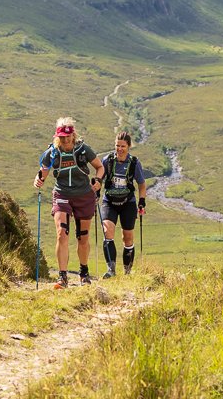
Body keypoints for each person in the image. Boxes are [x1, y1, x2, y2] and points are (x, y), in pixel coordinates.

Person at [34, 117, 105, 288]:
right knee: (61, 233)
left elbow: (100, 167)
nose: (65, 140)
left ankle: (84, 273)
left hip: (84, 196)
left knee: (83, 237)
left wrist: (98, 180)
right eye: (62, 137)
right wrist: (38, 180)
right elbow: (42, 173)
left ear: (73, 135)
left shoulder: (83, 150)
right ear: (57, 136)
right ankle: (62, 276)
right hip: (62, 195)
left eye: (68, 137)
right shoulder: (52, 153)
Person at [98, 131, 146, 278]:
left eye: (123, 146)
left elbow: (141, 184)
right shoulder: (108, 160)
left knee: (128, 238)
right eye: (117, 145)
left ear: (129, 146)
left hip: (128, 203)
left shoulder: (134, 163)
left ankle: (127, 272)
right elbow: (99, 176)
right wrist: (96, 189)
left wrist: (142, 202)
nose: (119, 149)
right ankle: (111, 269)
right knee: (108, 232)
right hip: (109, 202)